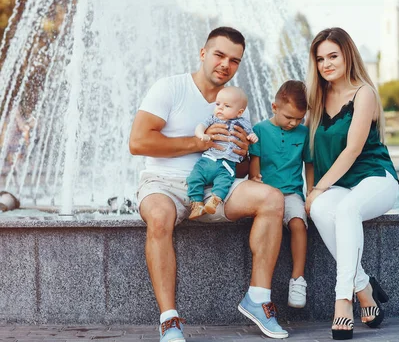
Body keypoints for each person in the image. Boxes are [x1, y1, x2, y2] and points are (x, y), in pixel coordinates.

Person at [129, 26, 289, 341]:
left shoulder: (235, 103)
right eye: (219, 55)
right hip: (163, 183)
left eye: (234, 60)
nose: (225, 64)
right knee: (159, 218)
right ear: (203, 53)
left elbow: (239, 167)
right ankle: (170, 321)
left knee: (272, 199)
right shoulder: (170, 88)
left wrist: (243, 154)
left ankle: (257, 299)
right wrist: (198, 143)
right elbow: (138, 142)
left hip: (216, 186)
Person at [304, 27, 399, 340]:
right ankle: (364, 287)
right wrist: (312, 192)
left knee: (345, 211)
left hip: (376, 178)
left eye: (333, 56)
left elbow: (353, 149)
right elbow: (310, 156)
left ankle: (343, 301)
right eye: (320, 58)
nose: (326, 64)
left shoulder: (364, 93)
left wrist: (319, 187)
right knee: (319, 209)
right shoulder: (317, 99)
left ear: (348, 56)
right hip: (341, 185)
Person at [248, 80, 313, 309]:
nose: (294, 123)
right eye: (289, 117)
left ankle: (298, 279)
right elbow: (254, 164)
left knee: (298, 224)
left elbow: (309, 163)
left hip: (292, 193)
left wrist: (311, 192)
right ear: (274, 108)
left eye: (299, 118)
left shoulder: (304, 133)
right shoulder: (259, 131)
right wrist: (255, 180)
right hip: (266, 195)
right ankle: (262, 287)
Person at [187, 86, 258, 219]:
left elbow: (251, 134)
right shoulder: (213, 119)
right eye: (218, 104)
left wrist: (252, 137)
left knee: (224, 182)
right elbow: (200, 126)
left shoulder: (243, 123)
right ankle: (197, 204)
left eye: (226, 106)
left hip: (227, 164)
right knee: (194, 178)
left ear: (239, 112)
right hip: (208, 160)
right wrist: (201, 134)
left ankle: (214, 202)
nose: (220, 108)